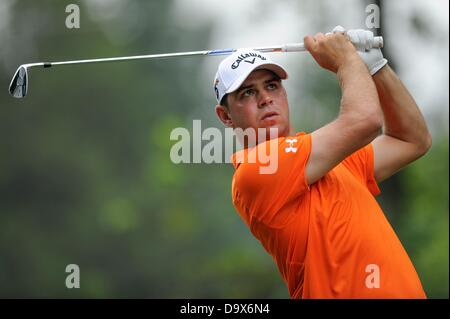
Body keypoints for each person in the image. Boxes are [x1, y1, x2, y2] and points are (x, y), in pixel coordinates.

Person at [213, 26, 432, 298]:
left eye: (271, 86)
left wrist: (375, 65)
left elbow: (411, 139)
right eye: (247, 93)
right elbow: (365, 121)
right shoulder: (257, 169)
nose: (265, 98)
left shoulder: (333, 163)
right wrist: (346, 61)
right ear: (225, 116)